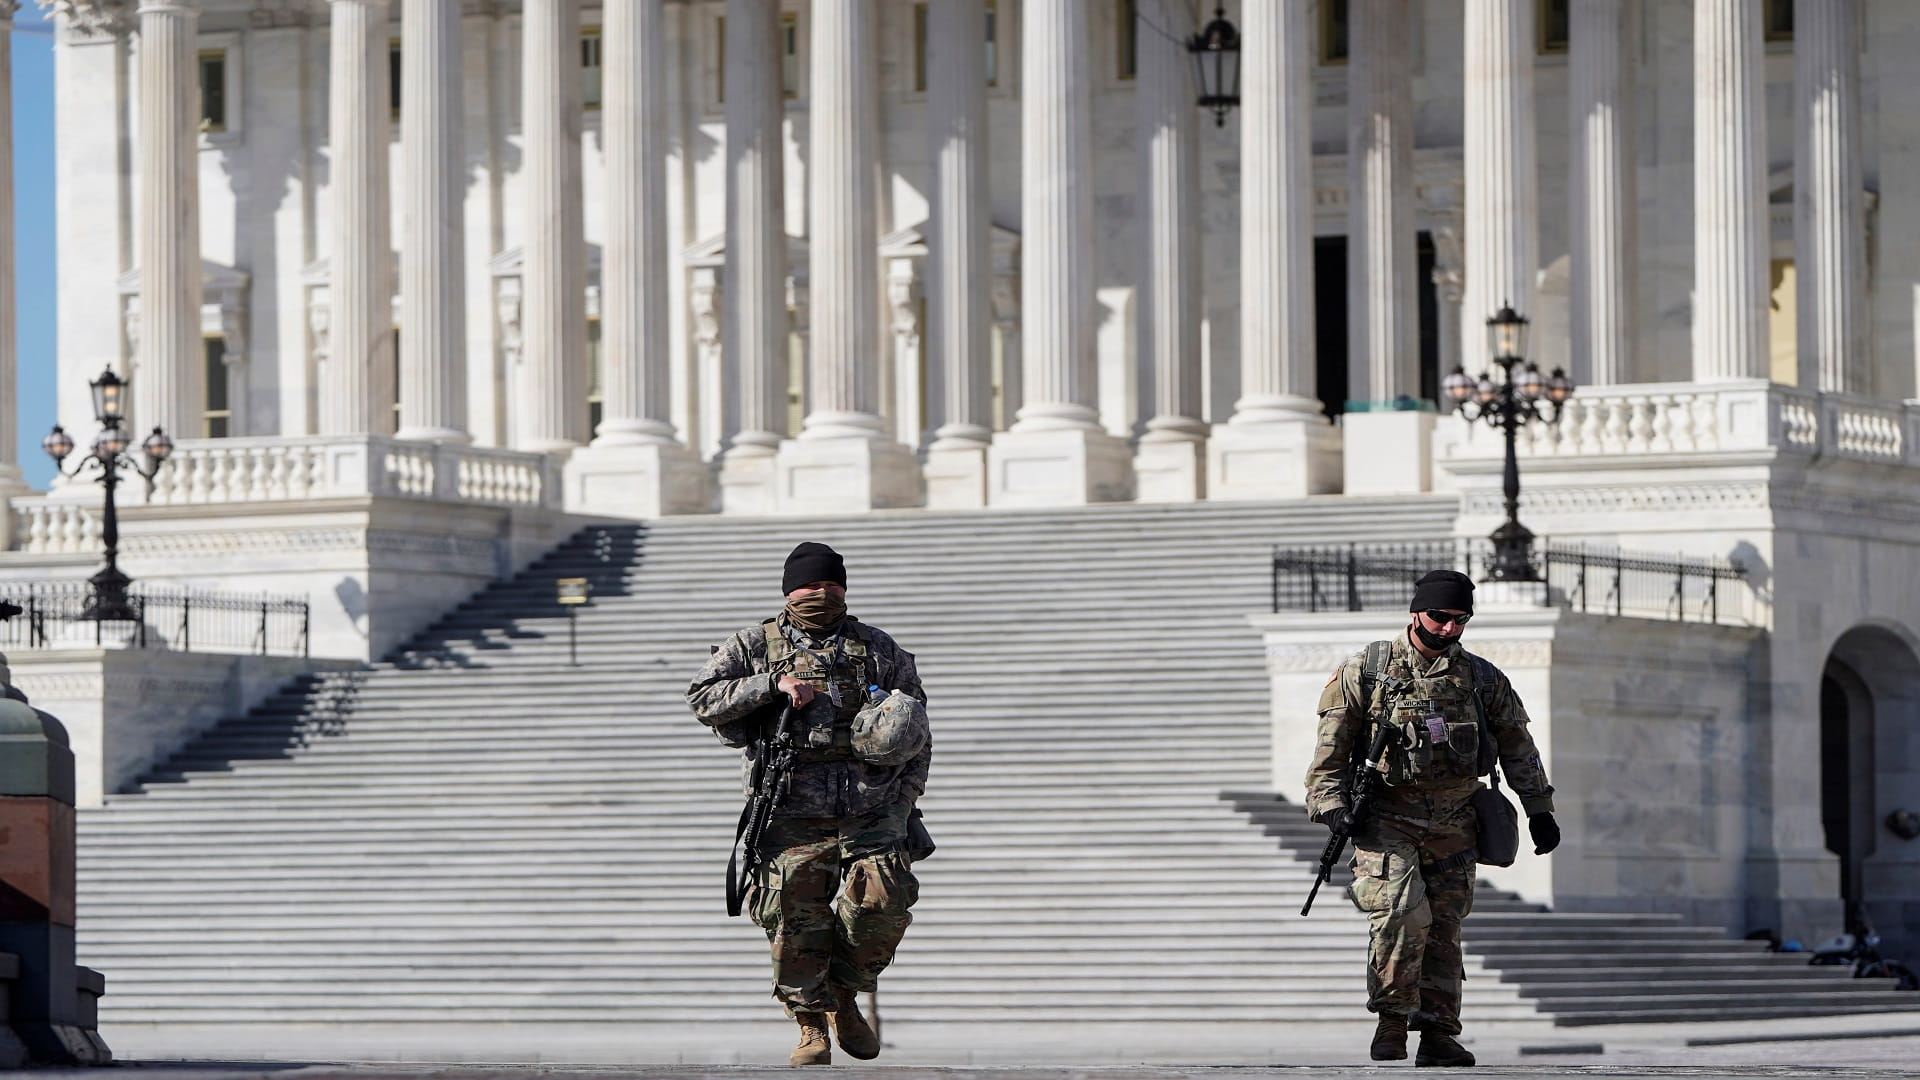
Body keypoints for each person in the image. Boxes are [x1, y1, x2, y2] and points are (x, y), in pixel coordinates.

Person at [687, 541, 930, 1066]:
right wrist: (770, 686)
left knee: (885, 902)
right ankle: (810, 1024)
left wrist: (905, 800)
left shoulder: (878, 648)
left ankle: (845, 993)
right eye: (810, 585)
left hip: (871, 806)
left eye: (831, 584)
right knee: (793, 916)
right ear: (788, 590)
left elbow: (917, 732)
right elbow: (702, 697)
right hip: (789, 807)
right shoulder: (753, 643)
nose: (821, 593)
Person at [1305, 569, 1560, 1067]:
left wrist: (1540, 811)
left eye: (1459, 620)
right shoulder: (1368, 670)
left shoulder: (1483, 679)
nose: (1448, 629)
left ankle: (1439, 1034)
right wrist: (1332, 806)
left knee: (1445, 925)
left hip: (1455, 818)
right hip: (1386, 816)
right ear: (1415, 611)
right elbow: (1329, 753)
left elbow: (1518, 747)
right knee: (1402, 913)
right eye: (1440, 617)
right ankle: (1392, 1020)